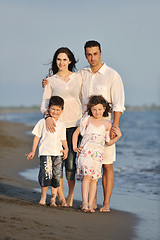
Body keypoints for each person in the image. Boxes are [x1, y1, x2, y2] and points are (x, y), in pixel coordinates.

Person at [42, 40, 125, 211]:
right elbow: (62, 84)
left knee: (107, 164)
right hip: (85, 127)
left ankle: (106, 203)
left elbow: (118, 105)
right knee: (87, 164)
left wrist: (114, 127)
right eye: (89, 54)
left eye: (95, 54)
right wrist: (46, 83)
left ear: (101, 53)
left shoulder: (112, 75)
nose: (92, 57)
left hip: (104, 128)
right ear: (85, 55)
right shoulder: (82, 74)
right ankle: (91, 202)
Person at [41, 47, 82, 207]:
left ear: (70, 61)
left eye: (65, 59)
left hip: (75, 125)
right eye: (59, 59)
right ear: (55, 61)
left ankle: (71, 197)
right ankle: (61, 197)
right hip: (57, 126)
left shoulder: (78, 77)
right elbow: (44, 103)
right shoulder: (50, 80)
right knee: (57, 161)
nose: (61, 62)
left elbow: (84, 98)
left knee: (71, 162)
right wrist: (48, 116)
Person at [72, 95, 122, 212]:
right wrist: (75, 147)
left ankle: (90, 204)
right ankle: (84, 202)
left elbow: (108, 143)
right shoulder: (87, 120)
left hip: (98, 156)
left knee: (94, 179)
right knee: (87, 177)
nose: (97, 112)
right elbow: (76, 133)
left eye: (99, 109)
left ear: (104, 109)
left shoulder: (107, 124)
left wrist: (119, 136)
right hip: (85, 153)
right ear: (90, 109)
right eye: (94, 109)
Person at [25, 96, 68, 207]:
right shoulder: (42, 122)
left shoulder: (62, 125)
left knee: (56, 177)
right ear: (48, 108)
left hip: (58, 153)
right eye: (53, 109)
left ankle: (53, 199)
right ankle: (43, 196)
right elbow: (37, 137)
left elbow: (63, 139)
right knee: (45, 175)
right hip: (45, 153)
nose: (55, 112)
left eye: (58, 110)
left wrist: (66, 149)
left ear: (62, 110)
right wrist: (33, 151)